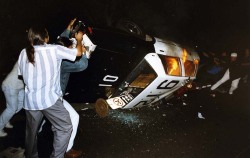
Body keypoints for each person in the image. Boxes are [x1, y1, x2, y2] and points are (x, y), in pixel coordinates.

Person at [18, 25, 83, 158]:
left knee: (31, 132)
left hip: (30, 102)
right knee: (64, 127)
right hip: (49, 101)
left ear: (30, 39)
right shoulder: (54, 49)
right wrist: (80, 40)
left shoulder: (23, 53)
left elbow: (22, 75)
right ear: (46, 38)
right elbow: (78, 53)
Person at [0, 62, 24, 137]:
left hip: (19, 86)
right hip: (11, 86)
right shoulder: (26, 58)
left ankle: (6, 118)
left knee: (21, 103)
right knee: (11, 109)